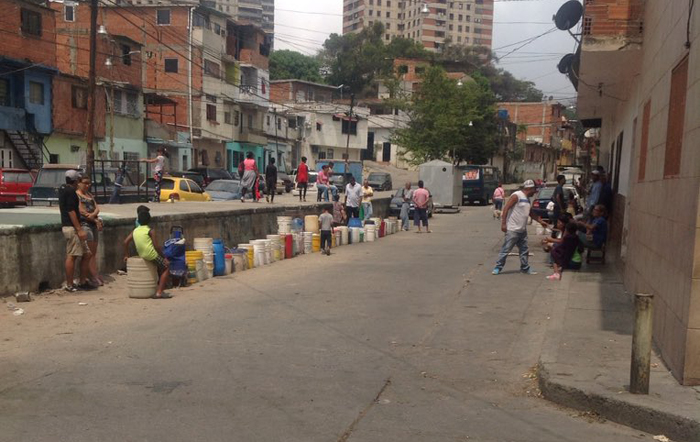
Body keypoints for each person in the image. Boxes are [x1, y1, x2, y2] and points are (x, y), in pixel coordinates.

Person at [492, 180, 548, 275]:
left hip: (522, 230)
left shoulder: (527, 199)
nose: (535, 191)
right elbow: (506, 208)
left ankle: (525, 267)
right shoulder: (516, 196)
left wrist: (541, 221)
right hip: (512, 229)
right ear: (529, 188)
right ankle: (498, 267)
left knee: (524, 250)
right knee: (506, 249)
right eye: (534, 189)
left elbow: (531, 213)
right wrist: (503, 224)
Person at [123, 208, 172, 299]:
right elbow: (156, 246)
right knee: (166, 267)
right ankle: (159, 293)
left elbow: (125, 242)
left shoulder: (135, 231)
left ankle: (158, 287)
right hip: (151, 255)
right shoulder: (150, 231)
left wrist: (126, 255)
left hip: (142, 254)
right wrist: (164, 257)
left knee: (159, 267)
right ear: (149, 220)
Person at [60, 170, 92, 292]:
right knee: (72, 255)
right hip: (72, 227)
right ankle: (70, 285)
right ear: (76, 181)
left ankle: (82, 281)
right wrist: (79, 229)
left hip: (72, 226)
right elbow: (71, 211)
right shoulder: (70, 192)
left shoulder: (63, 189)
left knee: (87, 254)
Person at [77, 175, 103, 286]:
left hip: (93, 223)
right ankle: (92, 276)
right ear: (79, 183)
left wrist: (94, 216)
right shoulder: (77, 195)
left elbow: (97, 208)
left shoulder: (89, 195)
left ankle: (94, 274)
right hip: (85, 224)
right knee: (89, 252)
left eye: (89, 183)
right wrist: (93, 218)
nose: (87, 185)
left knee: (94, 252)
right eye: (85, 183)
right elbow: (81, 211)